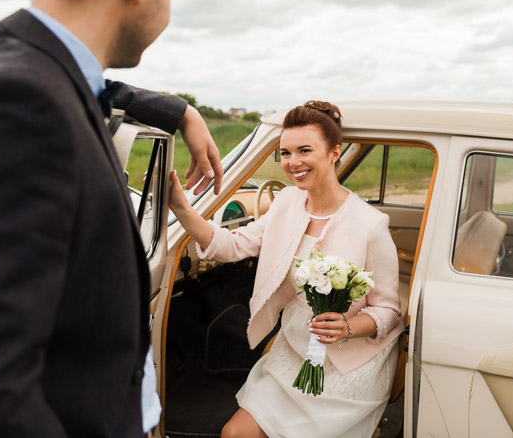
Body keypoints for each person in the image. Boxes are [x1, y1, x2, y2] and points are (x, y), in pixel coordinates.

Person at [0, 0, 223, 436]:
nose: (168, 6)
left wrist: (178, 112)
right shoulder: (18, 104)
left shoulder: (15, 68)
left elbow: (88, 87)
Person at [169, 101, 405, 438]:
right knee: (234, 434)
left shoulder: (371, 225)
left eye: (305, 150)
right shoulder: (285, 202)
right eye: (285, 153)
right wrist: (180, 208)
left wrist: (347, 327)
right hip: (293, 352)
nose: (293, 163)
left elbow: (389, 312)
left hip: (348, 367)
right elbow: (233, 246)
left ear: (334, 152)